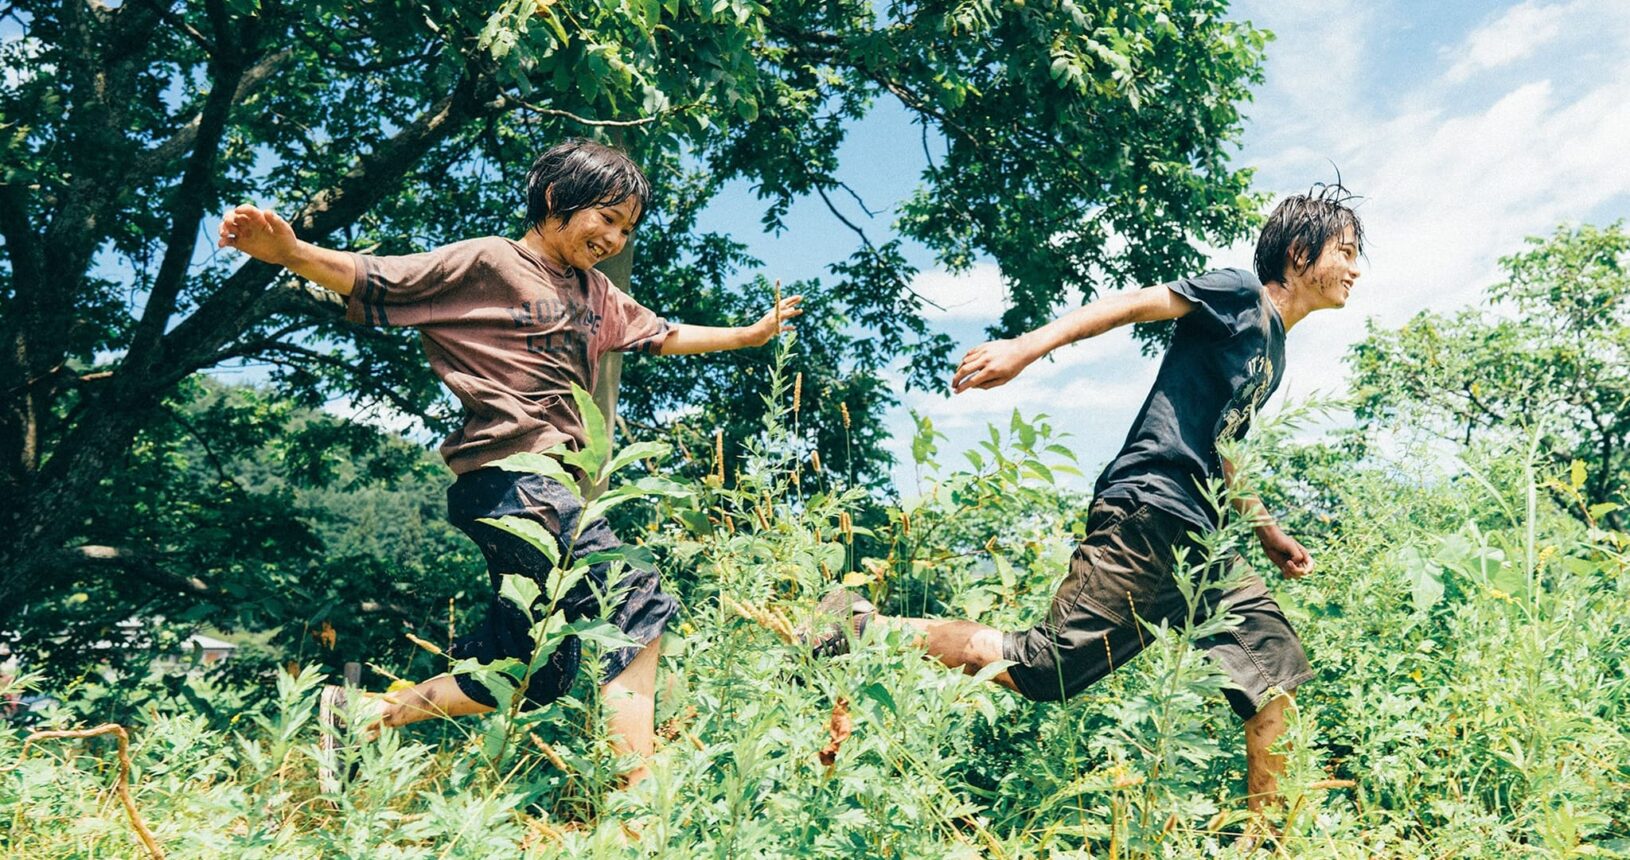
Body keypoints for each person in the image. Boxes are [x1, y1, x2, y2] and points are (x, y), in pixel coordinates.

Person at [218, 138, 802, 786]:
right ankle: (638, 807)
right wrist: (291, 253)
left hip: (537, 491)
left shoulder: (598, 294)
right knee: (633, 596)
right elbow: (382, 277)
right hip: (514, 479)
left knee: (531, 669)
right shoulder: (490, 262)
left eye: (626, 229)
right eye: (607, 218)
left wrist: (750, 335)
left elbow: (662, 334)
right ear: (556, 199)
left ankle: (364, 714)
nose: (614, 238)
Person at [809, 185, 1363, 811]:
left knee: (1274, 669)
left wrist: (1266, 530)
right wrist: (1025, 347)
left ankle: (1265, 843)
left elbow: (1226, 444)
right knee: (1044, 669)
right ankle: (858, 625)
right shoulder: (1239, 294)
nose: (1355, 269)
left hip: (1202, 539)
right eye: (1344, 252)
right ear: (1299, 253)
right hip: (1150, 510)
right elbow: (1134, 305)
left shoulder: (1273, 350)